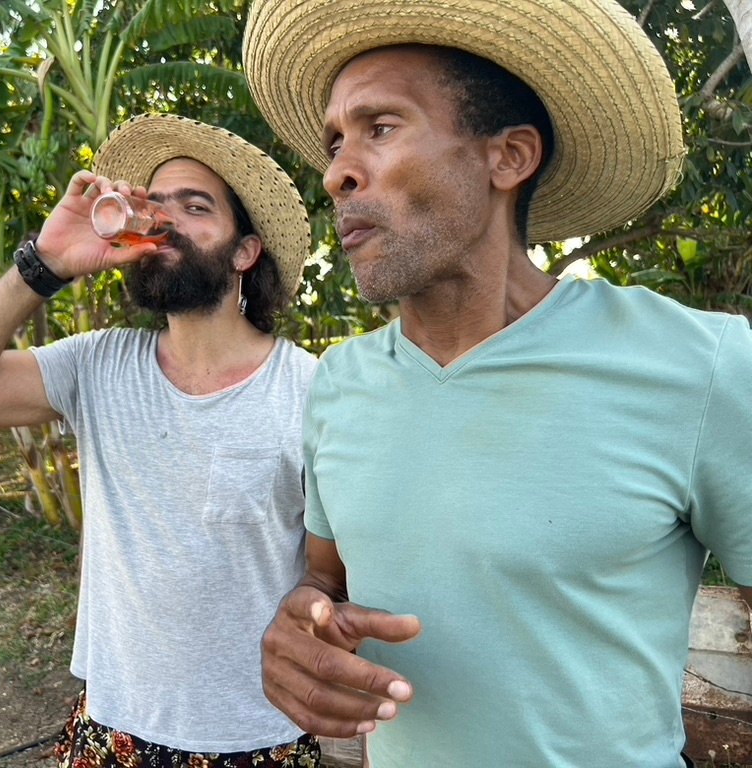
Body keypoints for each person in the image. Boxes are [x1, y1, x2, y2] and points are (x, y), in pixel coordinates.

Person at [240, 0, 752, 765]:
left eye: (381, 129)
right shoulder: (341, 383)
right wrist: (298, 625)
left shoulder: (701, 364)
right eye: (336, 141)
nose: (337, 171)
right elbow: (327, 579)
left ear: (508, 157)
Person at [0, 113, 322, 768]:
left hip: (259, 737)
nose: (167, 221)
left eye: (197, 206)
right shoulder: (99, 366)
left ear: (245, 251)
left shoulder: (311, 391)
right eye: (156, 205)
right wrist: (44, 266)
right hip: (113, 725)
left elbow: (342, 576)